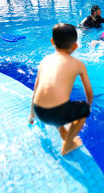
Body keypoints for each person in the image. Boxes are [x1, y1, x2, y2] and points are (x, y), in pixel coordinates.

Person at [28, 23, 93, 156]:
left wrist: (32, 114)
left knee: (58, 100)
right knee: (84, 109)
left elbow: (36, 89)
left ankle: (62, 131)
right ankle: (68, 144)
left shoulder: (45, 60)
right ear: (75, 46)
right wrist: (88, 107)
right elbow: (89, 95)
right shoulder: (79, 64)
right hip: (57, 115)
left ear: (52, 41)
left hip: (39, 112)